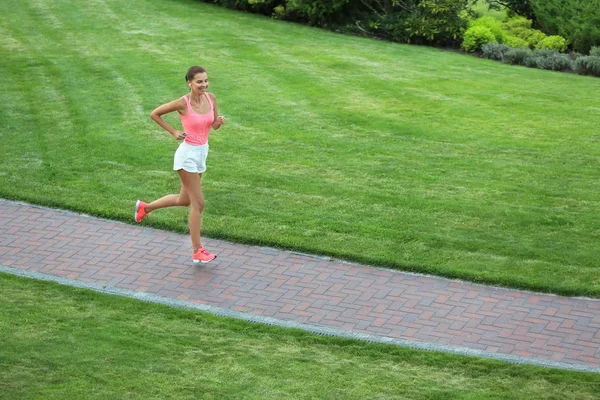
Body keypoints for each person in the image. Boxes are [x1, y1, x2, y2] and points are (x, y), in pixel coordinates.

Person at [135, 66, 225, 264]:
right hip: (187, 157)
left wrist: (219, 122)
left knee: (184, 200)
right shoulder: (182, 103)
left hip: (202, 153)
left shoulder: (211, 98)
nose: (204, 85)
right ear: (189, 83)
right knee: (198, 204)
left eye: (206, 81)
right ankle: (197, 250)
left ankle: (145, 208)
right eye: (199, 81)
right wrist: (174, 132)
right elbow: (155, 114)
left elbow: (213, 126)